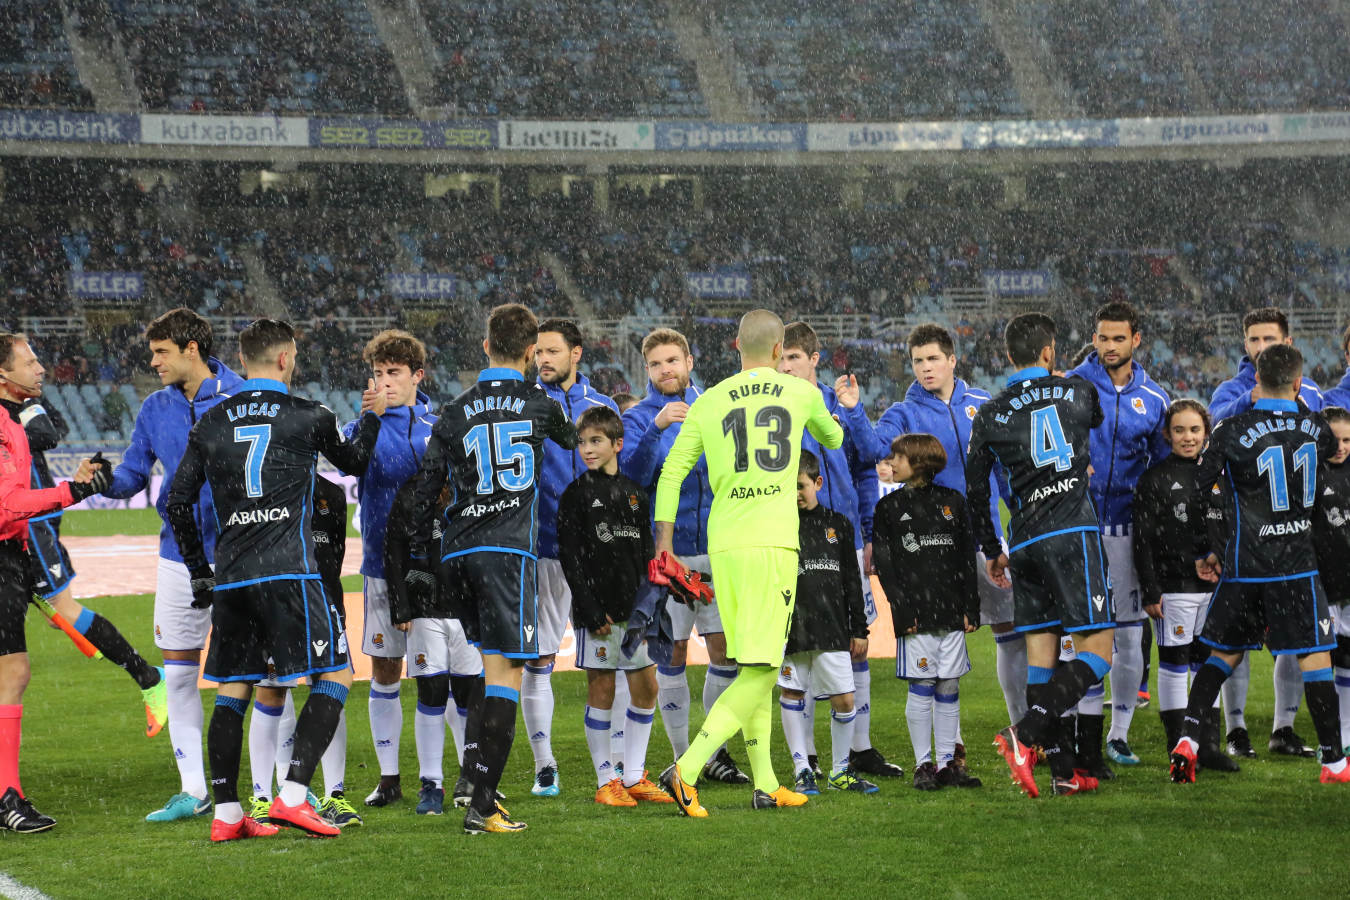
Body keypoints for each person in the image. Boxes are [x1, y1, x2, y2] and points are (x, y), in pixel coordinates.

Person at [167, 318, 384, 841]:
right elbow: (354, 463)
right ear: (286, 359)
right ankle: (292, 797)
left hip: (233, 577)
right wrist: (372, 417)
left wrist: (200, 572)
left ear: (242, 362)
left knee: (232, 691)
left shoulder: (211, 421)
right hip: (290, 570)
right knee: (335, 676)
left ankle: (226, 815)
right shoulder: (308, 414)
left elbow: (176, 502)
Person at [655, 309, 844, 816]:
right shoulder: (800, 391)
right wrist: (816, 395)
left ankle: (764, 782)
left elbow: (672, 473)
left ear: (736, 345)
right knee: (764, 669)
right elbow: (834, 439)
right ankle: (687, 769)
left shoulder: (709, 399)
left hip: (724, 544)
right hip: (771, 544)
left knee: (752, 663)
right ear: (781, 349)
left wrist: (664, 544)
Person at [406, 303, 578, 835]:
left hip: (456, 554)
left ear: (484, 348)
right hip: (507, 554)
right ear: (531, 352)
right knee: (506, 674)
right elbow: (572, 440)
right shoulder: (540, 403)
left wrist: (417, 561)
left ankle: (473, 787)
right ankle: (483, 804)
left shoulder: (455, 409)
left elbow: (424, 488)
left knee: (487, 667)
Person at [1169, 344, 1347, 785]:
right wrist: (1297, 403)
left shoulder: (1230, 429)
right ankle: (1334, 762)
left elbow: (1198, 492)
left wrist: (1202, 550)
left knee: (1222, 655)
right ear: (1299, 382)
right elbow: (1327, 443)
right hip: (1296, 566)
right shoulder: (1314, 426)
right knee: (1315, 659)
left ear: (1253, 382)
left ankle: (1188, 740)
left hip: (1245, 564)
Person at [836, 323, 1022, 744]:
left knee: (1010, 631)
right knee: (940, 643)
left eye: (933, 359)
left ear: (952, 359)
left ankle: (1021, 729)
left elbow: (1005, 471)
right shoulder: (904, 412)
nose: (925, 368)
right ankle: (949, 746)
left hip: (985, 540)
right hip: (934, 549)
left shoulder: (982, 404)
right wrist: (852, 409)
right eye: (918, 361)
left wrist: (1020, 517)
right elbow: (871, 451)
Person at [103, 307, 244, 822]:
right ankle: (194, 789)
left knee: (266, 675)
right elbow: (133, 475)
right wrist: (99, 481)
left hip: (241, 556)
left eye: (162, 352)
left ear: (191, 349)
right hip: (178, 559)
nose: (153, 361)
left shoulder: (243, 395)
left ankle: (282, 787)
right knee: (181, 675)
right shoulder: (154, 408)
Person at [966, 312, 1114, 799]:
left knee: (1040, 662)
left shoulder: (989, 413)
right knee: (1099, 654)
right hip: (1072, 533)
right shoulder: (1077, 391)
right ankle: (1024, 735)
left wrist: (992, 548)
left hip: (1025, 542)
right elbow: (1092, 418)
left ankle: (1064, 773)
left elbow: (974, 491)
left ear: (1009, 356)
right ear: (1049, 351)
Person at [0, 336, 167, 735]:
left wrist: (14, 418)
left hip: (30, 523)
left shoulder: (22, 403)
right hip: (20, 520)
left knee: (64, 612)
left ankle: (149, 678)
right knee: (59, 619)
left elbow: (50, 431)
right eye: (32, 362)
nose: (41, 369)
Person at [621, 328, 747, 785]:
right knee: (671, 653)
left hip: (718, 547)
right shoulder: (639, 419)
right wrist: (656, 430)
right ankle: (683, 758)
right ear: (647, 370)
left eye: (672, 360)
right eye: (656, 364)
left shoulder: (716, 405)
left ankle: (713, 750)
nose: (665, 370)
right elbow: (631, 478)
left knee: (725, 653)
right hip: (666, 553)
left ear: (689, 361)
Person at [777, 322, 898, 780]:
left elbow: (869, 463)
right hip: (794, 542)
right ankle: (805, 758)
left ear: (814, 359)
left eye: (793, 358)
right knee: (802, 649)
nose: (786, 366)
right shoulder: (776, 408)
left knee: (856, 644)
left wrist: (867, 532)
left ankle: (860, 749)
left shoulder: (837, 404)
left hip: (842, 541)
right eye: (780, 359)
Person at [0, 332, 109, 833]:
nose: (40, 368)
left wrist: (76, 487)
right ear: (3, 373)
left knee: (13, 673)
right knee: (12, 674)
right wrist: (72, 490)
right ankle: (7, 797)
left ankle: (8, 793)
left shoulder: (14, 426)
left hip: (11, 557)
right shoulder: (3, 427)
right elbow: (7, 504)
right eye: (29, 361)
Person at [1208, 307, 1323, 759]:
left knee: (1294, 638)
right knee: (1235, 640)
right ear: (1244, 345)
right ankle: (1235, 730)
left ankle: (1283, 728)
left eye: (1268, 340)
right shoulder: (1229, 392)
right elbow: (1216, 433)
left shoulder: (1310, 393)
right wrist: (1256, 398)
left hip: (1297, 539)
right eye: (1253, 340)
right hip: (1245, 538)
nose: (1260, 348)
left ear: (1287, 343)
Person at [1066, 302, 1170, 770]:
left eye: (1118, 339)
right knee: (1084, 634)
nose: (1108, 347)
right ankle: (1073, 729)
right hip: (1079, 527)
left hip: (1130, 531)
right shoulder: (1071, 387)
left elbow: (1166, 466)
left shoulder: (1156, 397)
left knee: (1129, 635)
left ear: (1136, 339)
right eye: (1102, 338)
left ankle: (1119, 734)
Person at [558, 405, 671, 807]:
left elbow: (644, 555)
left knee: (646, 689)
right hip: (599, 616)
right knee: (602, 689)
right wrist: (588, 608)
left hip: (634, 614)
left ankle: (636, 775)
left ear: (617, 444)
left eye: (596, 441)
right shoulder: (575, 495)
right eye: (583, 442)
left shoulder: (636, 495)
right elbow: (571, 559)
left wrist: (649, 606)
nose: (587, 449)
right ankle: (607, 780)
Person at [526, 318, 619, 798]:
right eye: (538, 352)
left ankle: (618, 766)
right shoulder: (524, 406)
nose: (543, 359)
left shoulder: (599, 408)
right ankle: (545, 765)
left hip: (599, 552)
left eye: (552, 351)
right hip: (541, 548)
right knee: (539, 659)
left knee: (613, 659)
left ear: (576, 353)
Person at [346, 330, 437, 809]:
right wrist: (368, 422)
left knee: (433, 672)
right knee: (384, 670)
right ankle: (388, 777)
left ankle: (434, 776)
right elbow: (344, 462)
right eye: (378, 373)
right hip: (380, 567)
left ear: (417, 376)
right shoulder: (361, 425)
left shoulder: (437, 427)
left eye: (395, 373)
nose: (384, 382)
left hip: (429, 570)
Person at [246, 475, 364, 828]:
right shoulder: (271, 486)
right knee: (270, 690)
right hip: (275, 603)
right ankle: (261, 798)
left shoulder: (330, 494)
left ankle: (334, 796)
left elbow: (335, 555)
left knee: (330, 687)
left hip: (324, 600)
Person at [1132, 400, 1237, 771]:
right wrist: (1150, 588)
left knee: (1206, 665)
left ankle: (1206, 746)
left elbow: (1226, 530)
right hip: (1173, 588)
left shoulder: (1221, 477)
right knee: (1175, 665)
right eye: (1179, 430)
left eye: (1194, 430)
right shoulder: (1154, 479)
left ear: (1206, 433)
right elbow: (1145, 541)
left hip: (1213, 589)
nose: (1188, 437)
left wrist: (1219, 560)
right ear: (1167, 434)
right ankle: (1178, 748)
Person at [872, 434, 981, 791]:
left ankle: (949, 764)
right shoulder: (888, 508)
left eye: (898, 458)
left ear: (918, 462)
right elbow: (885, 567)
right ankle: (923, 765)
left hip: (950, 611)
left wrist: (971, 605)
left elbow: (966, 557)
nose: (892, 463)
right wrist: (900, 608)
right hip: (915, 615)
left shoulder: (953, 502)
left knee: (948, 685)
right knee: (921, 685)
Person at [382, 478, 485, 817]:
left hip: (468, 609)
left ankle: (471, 776)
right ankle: (431, 784)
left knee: (471, 695)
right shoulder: (412, 490)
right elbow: (394, 548)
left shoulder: (475, 483)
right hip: (426, 609)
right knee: (432, 694)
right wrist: (401, 603)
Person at [778, 450, 875, 796]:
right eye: (788, 487)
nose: (796, 494)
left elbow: (852, 580)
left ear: (818, 483)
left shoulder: (839, 525)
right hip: (792, 628)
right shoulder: (778, 524)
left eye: (801, 486)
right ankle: (802, 769)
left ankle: (840, 771)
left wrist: (859, 629)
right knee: (792, 693)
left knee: (845, 700)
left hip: (832, 627)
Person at [1312, 405, 1350, 753]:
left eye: (1348, 440)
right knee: (1312, 657)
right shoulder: (1309, 475)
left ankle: (1344, 736)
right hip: (1316, 583)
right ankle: (1283, 726)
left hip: (1347, 586)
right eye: (1334, 439)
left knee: (1347, 659)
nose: (1341, 446)